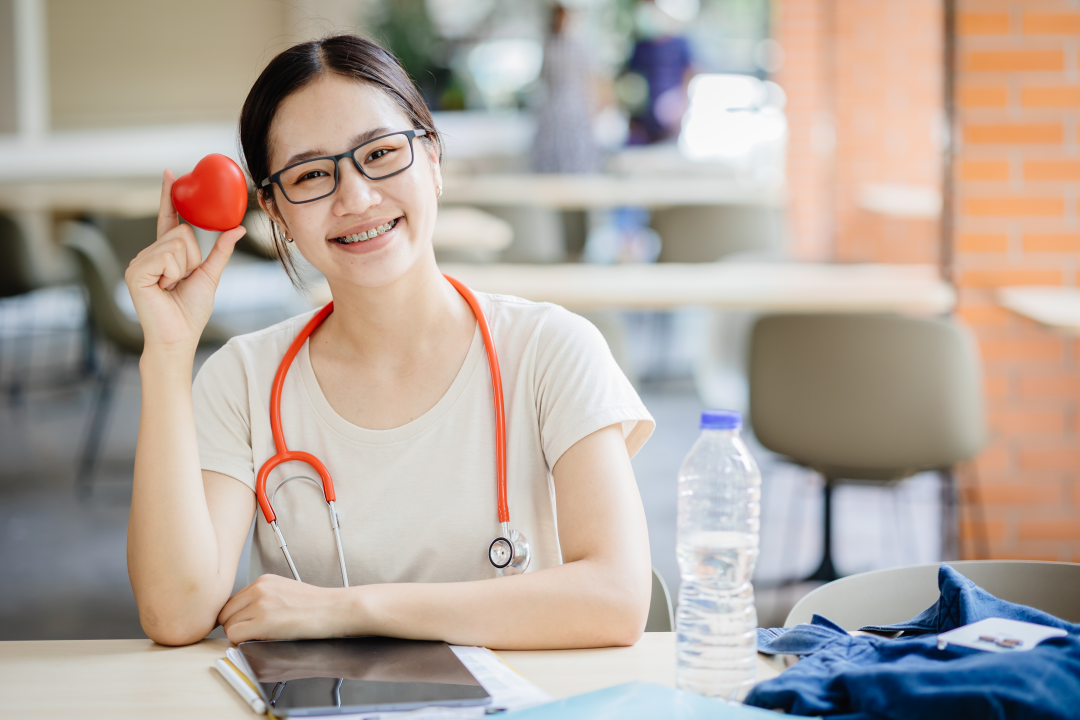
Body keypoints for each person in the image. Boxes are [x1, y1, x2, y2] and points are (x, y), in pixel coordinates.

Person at [124, 35, 655, 649]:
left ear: (432, 160)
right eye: (312, 174)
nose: (355, 197)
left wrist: (346, 609)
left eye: (380, 154)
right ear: (276, 211)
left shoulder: (552, 350)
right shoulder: (243, 379)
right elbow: (175, 613)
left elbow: (614, 600)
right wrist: (166, 353)